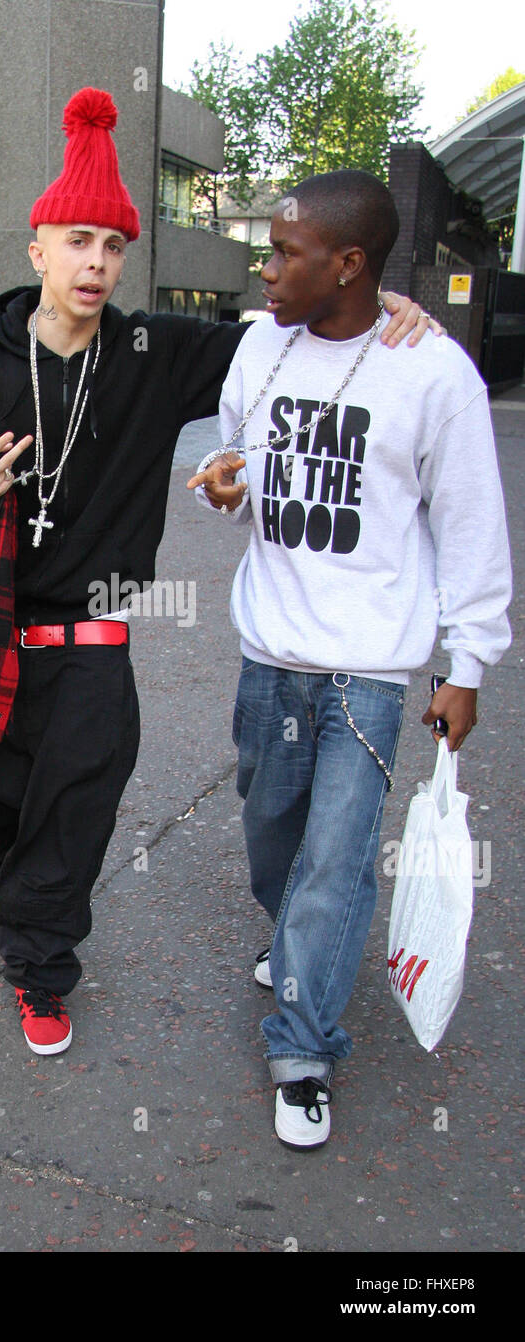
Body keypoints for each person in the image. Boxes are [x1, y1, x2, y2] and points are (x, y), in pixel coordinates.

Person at [0, 90, 436, 1058]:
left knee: (75, 810)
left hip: (92, 644)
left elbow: (288, 332)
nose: (96, 263)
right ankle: (17, 875)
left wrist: (376, 297)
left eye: (113, 246)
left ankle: (41, 967)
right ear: (37, 250)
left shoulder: (149, 353)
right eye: (78, 241)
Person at [187, 168, 512, 1149]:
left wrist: (468, 665)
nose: (265, 265)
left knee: (335, 860)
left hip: (368, 672)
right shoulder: (260, 346)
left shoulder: (434, 374)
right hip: (269, 654)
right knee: (273, 835)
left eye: (285, 251)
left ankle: (303, 1045)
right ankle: (294, 940)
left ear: (350, 264)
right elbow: (223, 460)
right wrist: (220, 483)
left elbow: (469, 528)